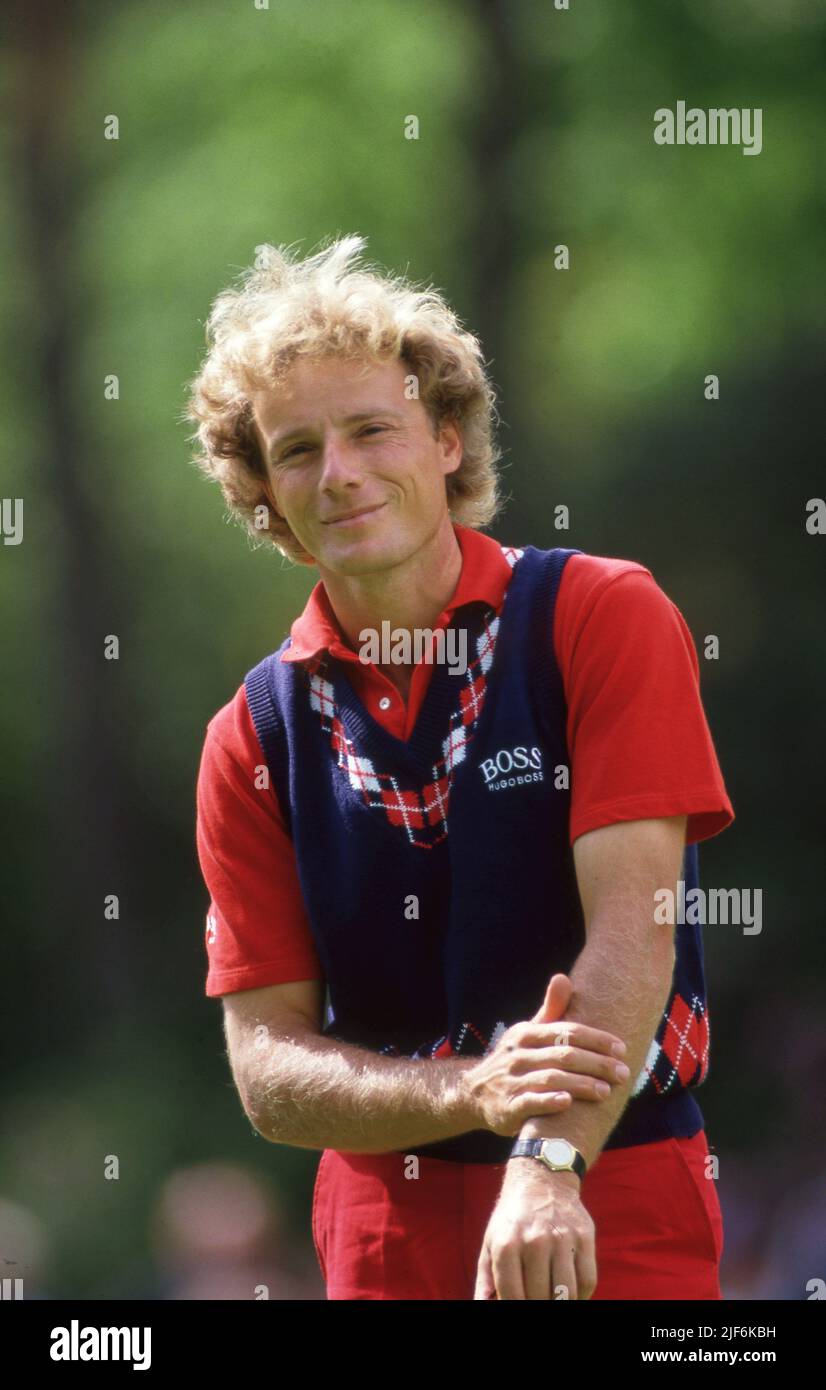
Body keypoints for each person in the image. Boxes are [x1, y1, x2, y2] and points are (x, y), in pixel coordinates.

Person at [187, 235, 735, 1300]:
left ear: (444, 440)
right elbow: (268, 1072)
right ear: (265, 492)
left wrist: (544, 1159)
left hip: (612, 1177)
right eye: (295, 451)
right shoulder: (249, 735)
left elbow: (633, 928)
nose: (337, 473)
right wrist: (471, 1090)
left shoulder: (599, 615)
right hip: (382, 1227)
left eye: (370, 430)